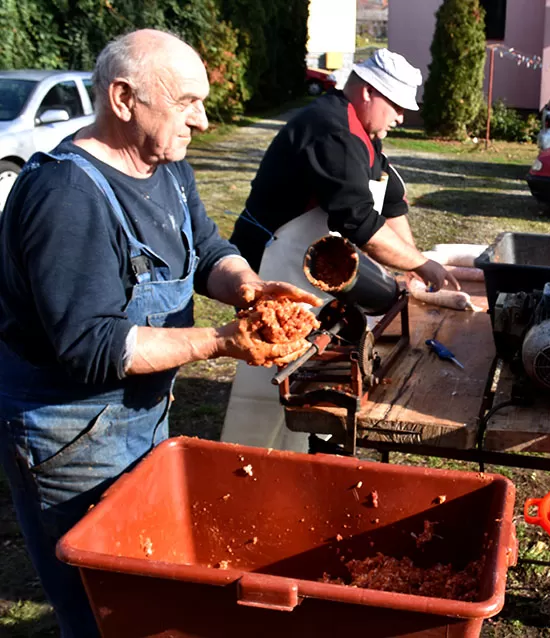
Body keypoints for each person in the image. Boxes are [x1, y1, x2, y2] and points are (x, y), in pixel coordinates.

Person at [0, 30, 320, 637]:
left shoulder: (165, 166)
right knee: (101, 610)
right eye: (185, 102)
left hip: (137, 411)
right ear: (123, 99)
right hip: (68, 431)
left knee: (143, 591)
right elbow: (93, 345)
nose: (200, 120)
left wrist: (251, 288)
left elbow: (207, 251)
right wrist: (222, 342)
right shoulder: (67, 195)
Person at [222, 48, 457, 452]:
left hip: (308, 264)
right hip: (270, 262)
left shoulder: (363, 135)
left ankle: (307, 446)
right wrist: (422, 263)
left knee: (315, 360)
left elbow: (392, 200)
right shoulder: (331, 130)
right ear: (368, 93)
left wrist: (414, 265)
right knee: (273, 367)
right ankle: (251, 461)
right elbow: (360, 223)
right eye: (397, 106)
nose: (402, 117)